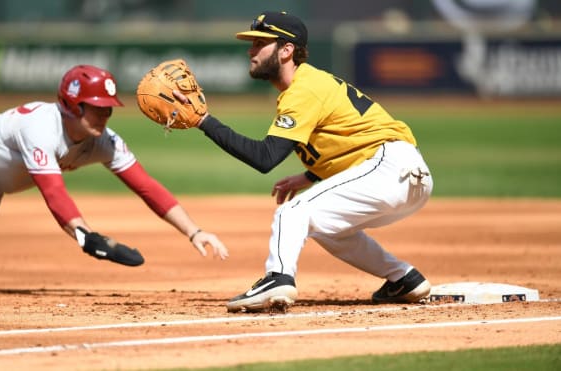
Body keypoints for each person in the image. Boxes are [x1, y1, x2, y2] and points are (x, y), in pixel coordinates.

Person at [179, 11, 433, 312]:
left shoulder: (303, 89)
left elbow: (265, 158)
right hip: (404, 175)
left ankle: (278, 278)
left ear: (286, 50)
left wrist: (204, 121)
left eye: (260, 43)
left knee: (293, 212)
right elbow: (348, 139)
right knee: (328, 227)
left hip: (389, 168)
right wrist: (311, 176)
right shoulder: (307, 84)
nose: (251, 51)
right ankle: (403, 278)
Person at [0, 64, 228, 278]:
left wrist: (194, 231)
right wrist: (85, 234)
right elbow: (53, 192)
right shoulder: (41, 127)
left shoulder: (104, 141)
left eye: (108, 110)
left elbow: (146, 186)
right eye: (98, 108)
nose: (105, 116)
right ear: (73, 105)